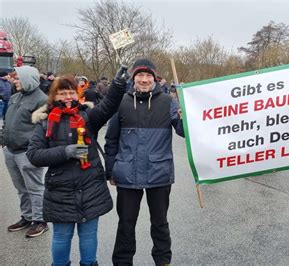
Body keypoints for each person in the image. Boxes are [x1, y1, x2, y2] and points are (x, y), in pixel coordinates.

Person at [26, 68, 127, 265]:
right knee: (62, 237)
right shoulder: (45, 121)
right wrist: (66, 152)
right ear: (54, 95)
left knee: (89, 236)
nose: (67, 96)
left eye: (71, 92)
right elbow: (34, 155)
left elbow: (108, 106)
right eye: (62, 93)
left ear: (77, 93)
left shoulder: (88, 116)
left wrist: (118, 84)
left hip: (90, 187)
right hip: (60, 190)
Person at [105, 58, 185, 265]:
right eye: (139, 75)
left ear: (155, 78)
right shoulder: (121, 102)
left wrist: (188, 115)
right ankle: (122, 262)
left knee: (160, 223)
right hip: (126, 174)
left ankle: (163, 261)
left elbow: (184, 132)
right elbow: (111, 138)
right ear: (133, 78)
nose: (144, 79)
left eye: (148, 75)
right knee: (126, 224)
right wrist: (110, 169)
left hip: (159, 174)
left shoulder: (169, 102)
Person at [2, 66, 49, 237]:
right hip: (10, 150)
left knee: (35, 188)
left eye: (17, 78)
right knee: (21, 188)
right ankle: (28, 217)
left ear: (28, 79)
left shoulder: (42, 100)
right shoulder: (15, 97)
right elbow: (8, 121)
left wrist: (34, 147)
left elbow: (45, 129)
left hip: (27, 153)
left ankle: (40, 220)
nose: (14, 81)